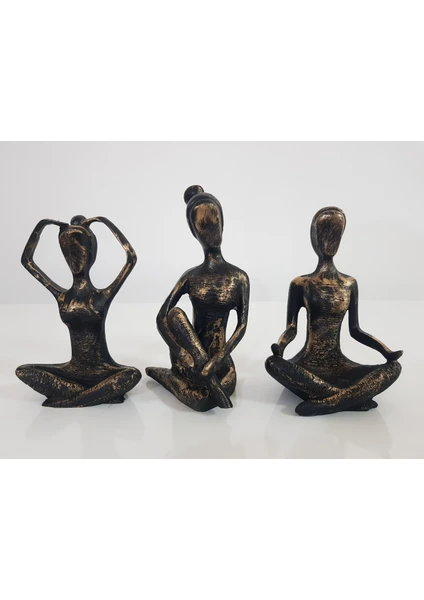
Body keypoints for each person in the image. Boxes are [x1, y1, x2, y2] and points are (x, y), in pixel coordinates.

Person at [265, 206, 402, 416]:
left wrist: (386, 352)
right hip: (307, 365)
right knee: (272, 364)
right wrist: (280, 347)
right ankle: (354, 399)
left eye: (336, 234)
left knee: (394, 368)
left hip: (341, 366)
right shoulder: (301, 283)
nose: (330, 240)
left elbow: (355, 330)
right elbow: (292, 328)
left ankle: (325, 402)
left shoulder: (349, 283)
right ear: (314, 238)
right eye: (324, 234)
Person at [16, 215, 141, 407]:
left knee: (132, 374)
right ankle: (100, 393)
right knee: (24, 371)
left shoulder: (102, 296)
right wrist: (42, 225)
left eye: (80, 251)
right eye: (69, 253)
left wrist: (103, 221)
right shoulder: (62, 296)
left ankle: (72, 397)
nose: (75, 259)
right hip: (73, 370)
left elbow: (131, 258)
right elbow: (27, 261)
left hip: (104, 370)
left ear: (91, 255)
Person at [146, 186, 250, 411]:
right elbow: (162, 317)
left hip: (220, 363)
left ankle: (181, 379)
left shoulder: (238, 277)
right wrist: (181, 352)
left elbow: (242, 326)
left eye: (214, 221)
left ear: (223, 222)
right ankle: (169, 377)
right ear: (194, 233)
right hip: (191, 359)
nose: (211, 230)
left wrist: (217, 360)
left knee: (209, 396)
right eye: (203, 226)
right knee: (175, 314)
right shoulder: (191, 277)